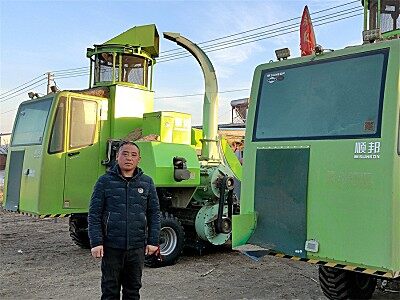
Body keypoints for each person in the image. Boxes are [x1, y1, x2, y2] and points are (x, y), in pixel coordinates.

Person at [88, 141, 160, 300]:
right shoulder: (104, 181)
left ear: (139, 159)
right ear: (117, 157)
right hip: (112, 246)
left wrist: (153, 241)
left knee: (133, 290)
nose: (129, 158)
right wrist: (96, 242)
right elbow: (94, 214)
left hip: (136, 247)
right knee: (109, 290)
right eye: (125, 154)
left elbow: (154, 213)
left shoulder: (147, 182)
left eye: (133, 155)